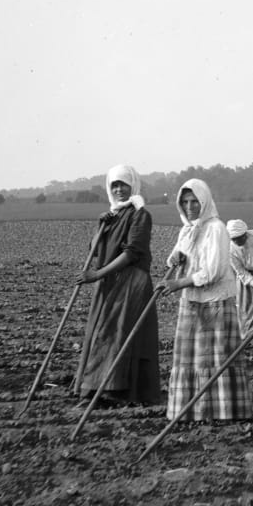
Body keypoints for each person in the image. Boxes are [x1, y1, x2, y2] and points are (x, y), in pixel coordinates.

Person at [162, 180, 253, 422]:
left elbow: (213, 272)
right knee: (191, 356)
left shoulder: (216, 228)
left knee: (215, 357)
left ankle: (222, 412)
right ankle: (192, 410)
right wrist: (175, 257)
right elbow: (178, 257)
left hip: (215, 301)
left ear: (205, 202)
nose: (190, 207)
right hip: (192, 300)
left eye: (195, 202)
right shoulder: (187, 229)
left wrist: (178, 284)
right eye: (185, 202)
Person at [73, 164, 162, 407]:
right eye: (114, 185)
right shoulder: (111, 216)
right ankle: (96, 388)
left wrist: (97, 274)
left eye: (123, 184)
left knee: (117, 334)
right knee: (104, 332)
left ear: (133, 185)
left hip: (131, 280)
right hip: (109, 281)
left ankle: (112, 391)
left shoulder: (140, 214)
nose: (119, 189)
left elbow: (132, 253)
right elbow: (94, 251)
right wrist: (99, 229)